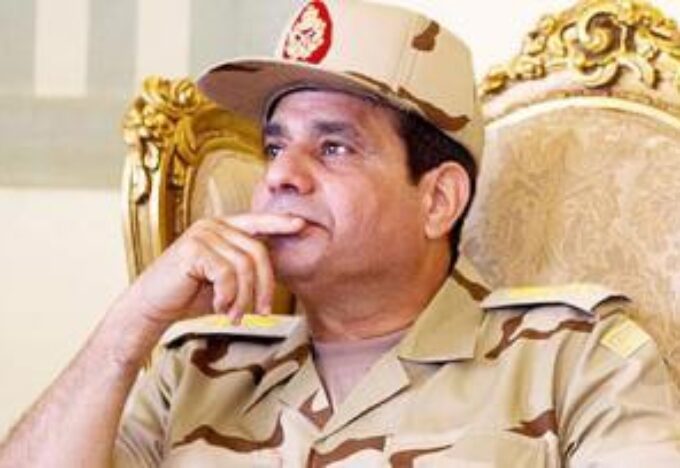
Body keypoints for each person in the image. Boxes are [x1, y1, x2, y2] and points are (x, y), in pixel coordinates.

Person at [2, 0, 680, 466]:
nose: (280, 176)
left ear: (438, 199)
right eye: (275, 147)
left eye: (333, 148)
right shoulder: (196, 367)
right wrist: (125, 334)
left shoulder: (576, 360)